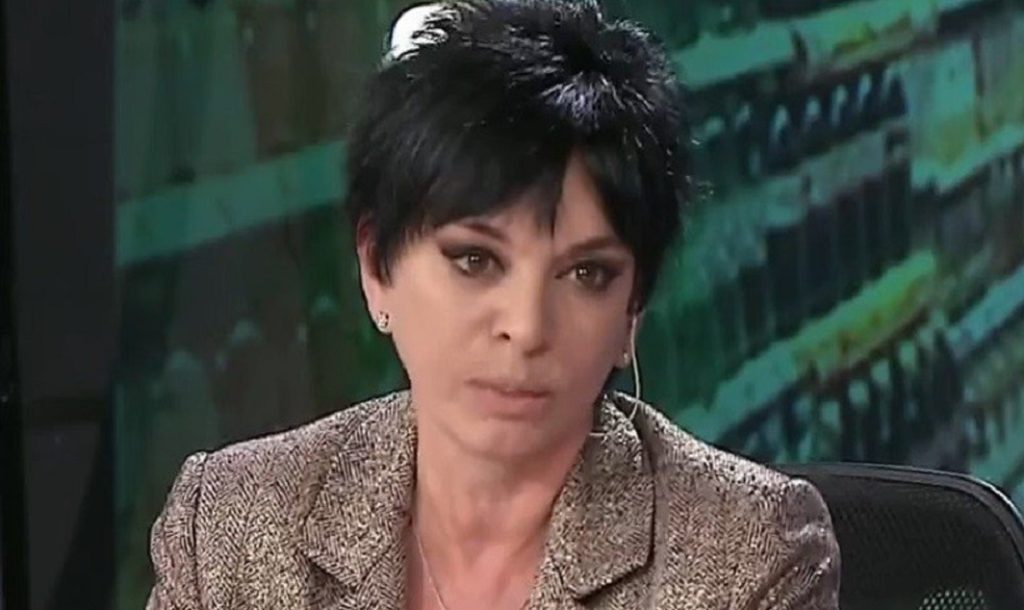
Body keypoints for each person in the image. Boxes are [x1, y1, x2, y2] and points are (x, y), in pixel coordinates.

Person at [146, 1, 840, 608]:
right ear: (376, 268)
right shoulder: (231, 528)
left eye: (587, 274)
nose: (526, 327)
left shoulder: (747, 556)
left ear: (634, 307)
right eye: (475, 261)